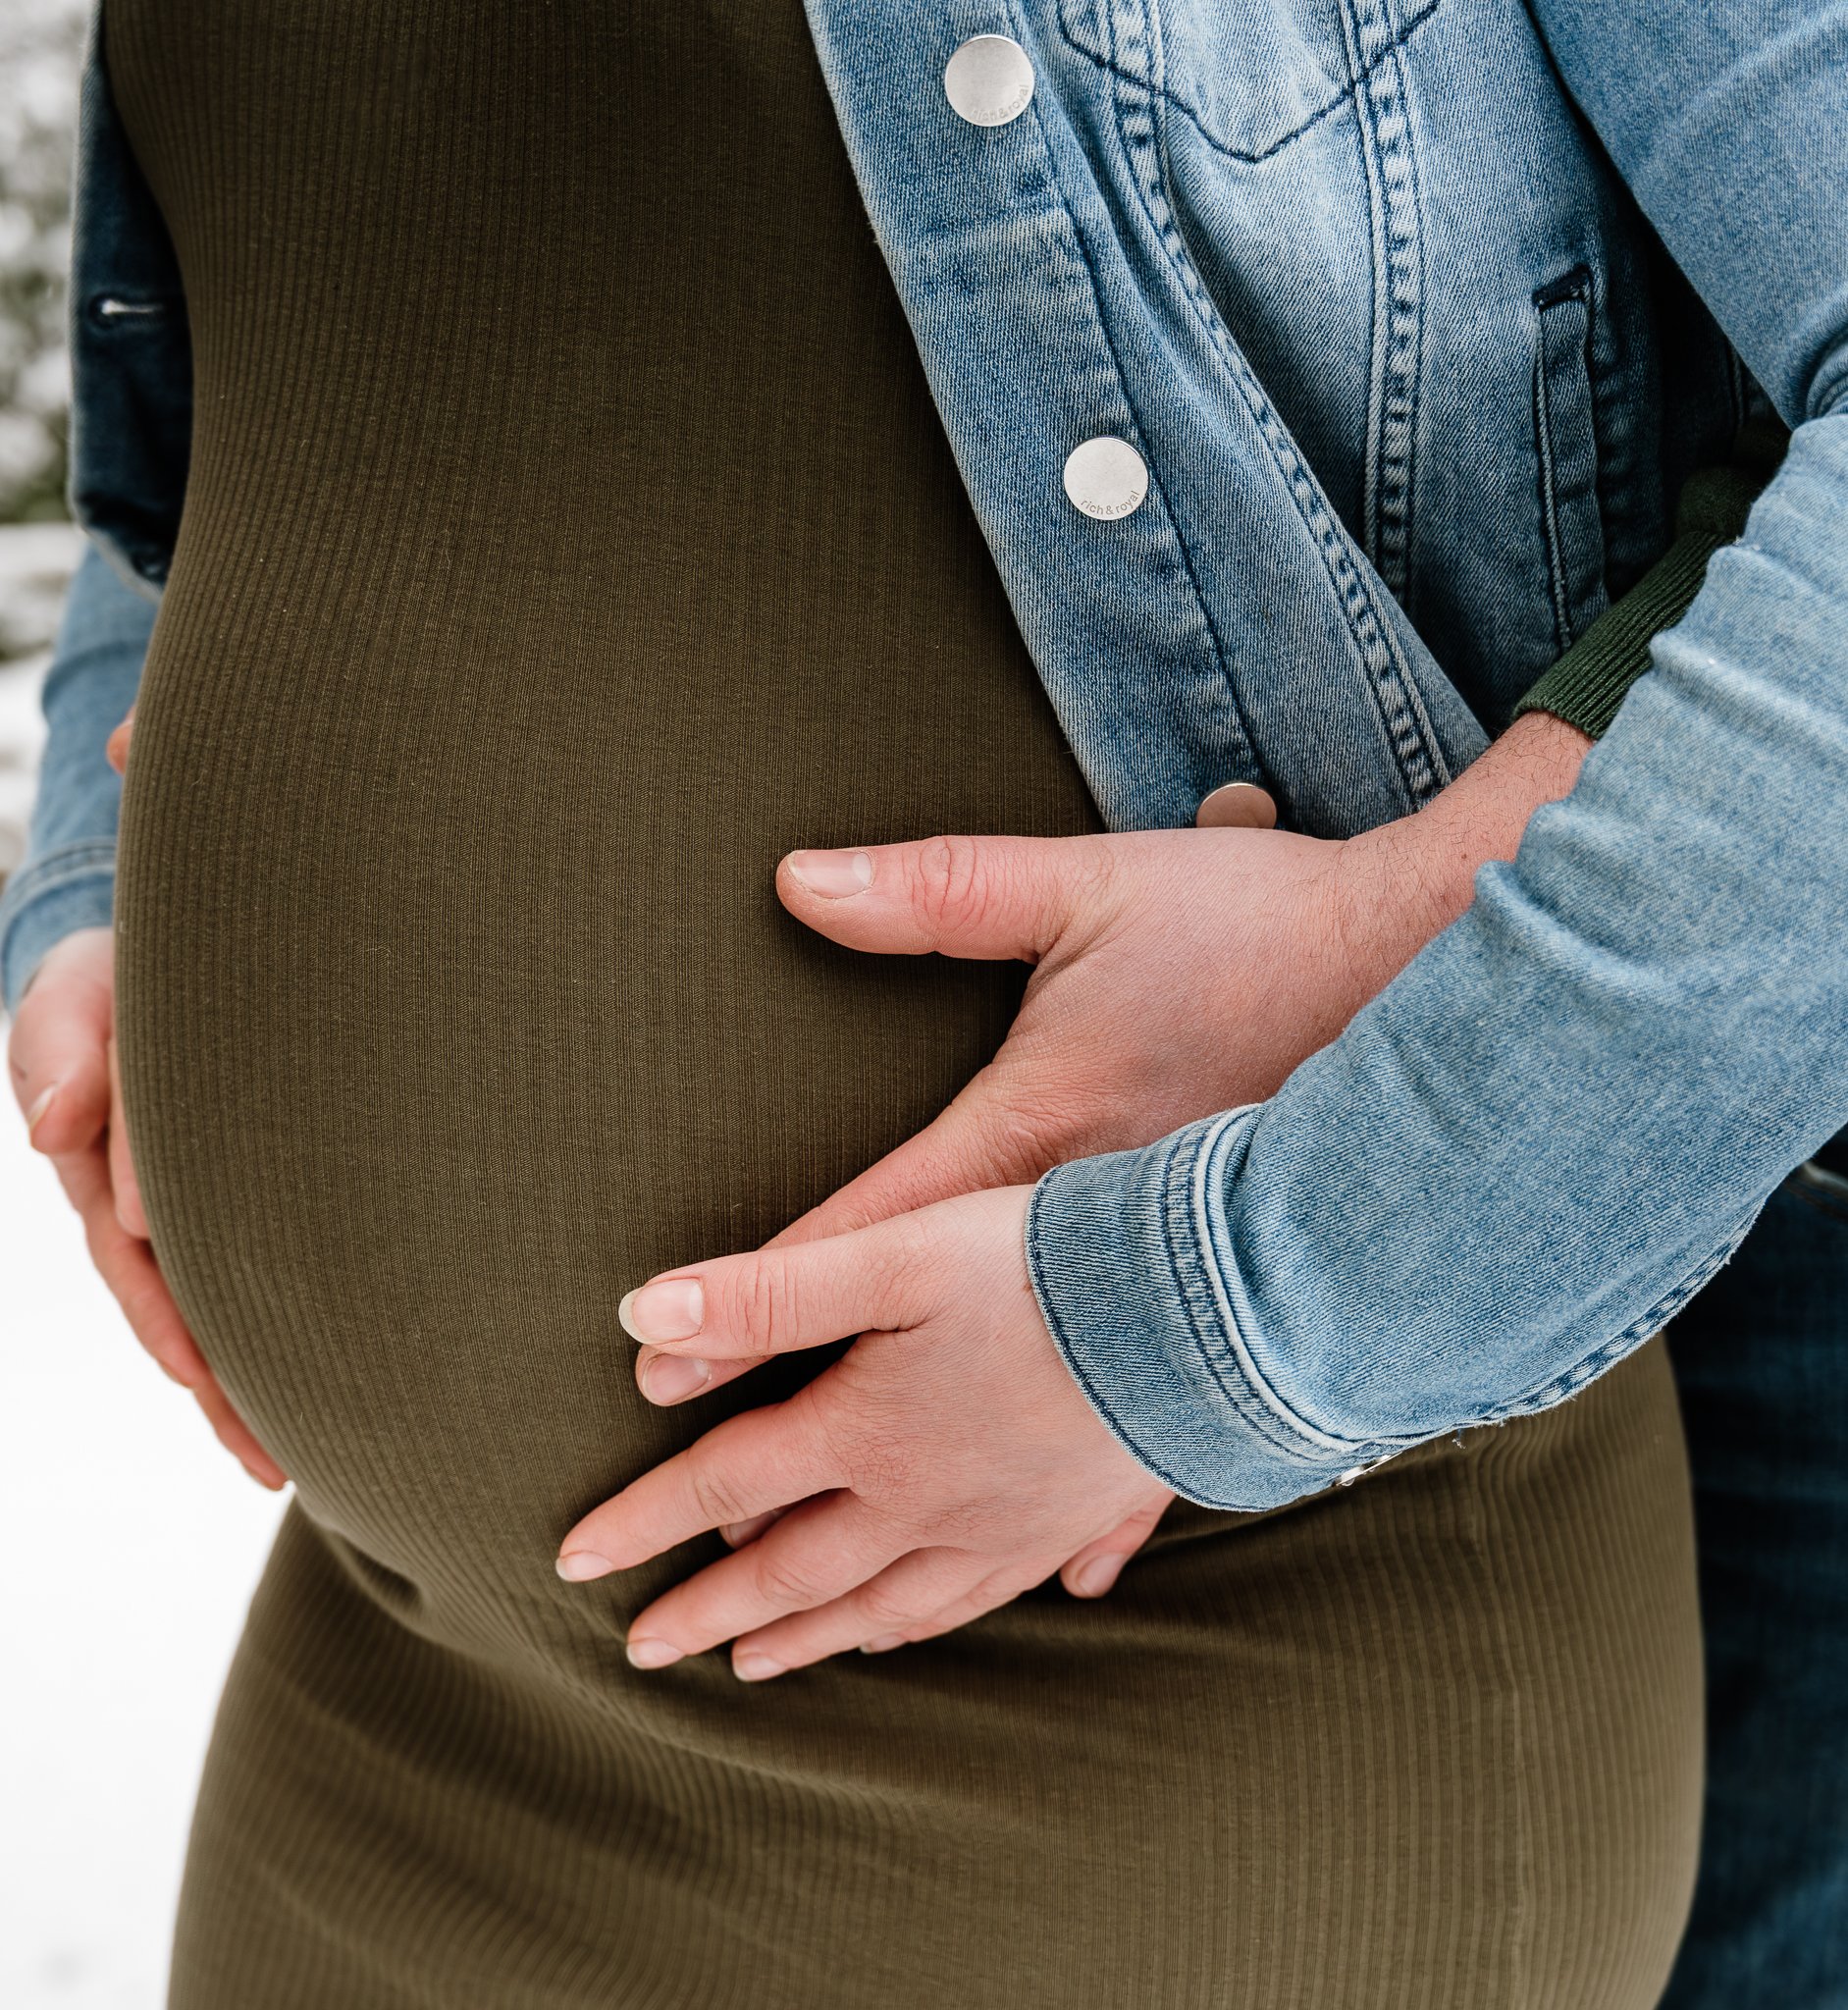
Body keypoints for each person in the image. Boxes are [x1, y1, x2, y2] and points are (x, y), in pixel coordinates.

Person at [3, 2, 1843, 2004]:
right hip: (400, 1702)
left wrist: (1229, 1284)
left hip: (1183, 1676)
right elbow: (244, 376)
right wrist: (109, 885)